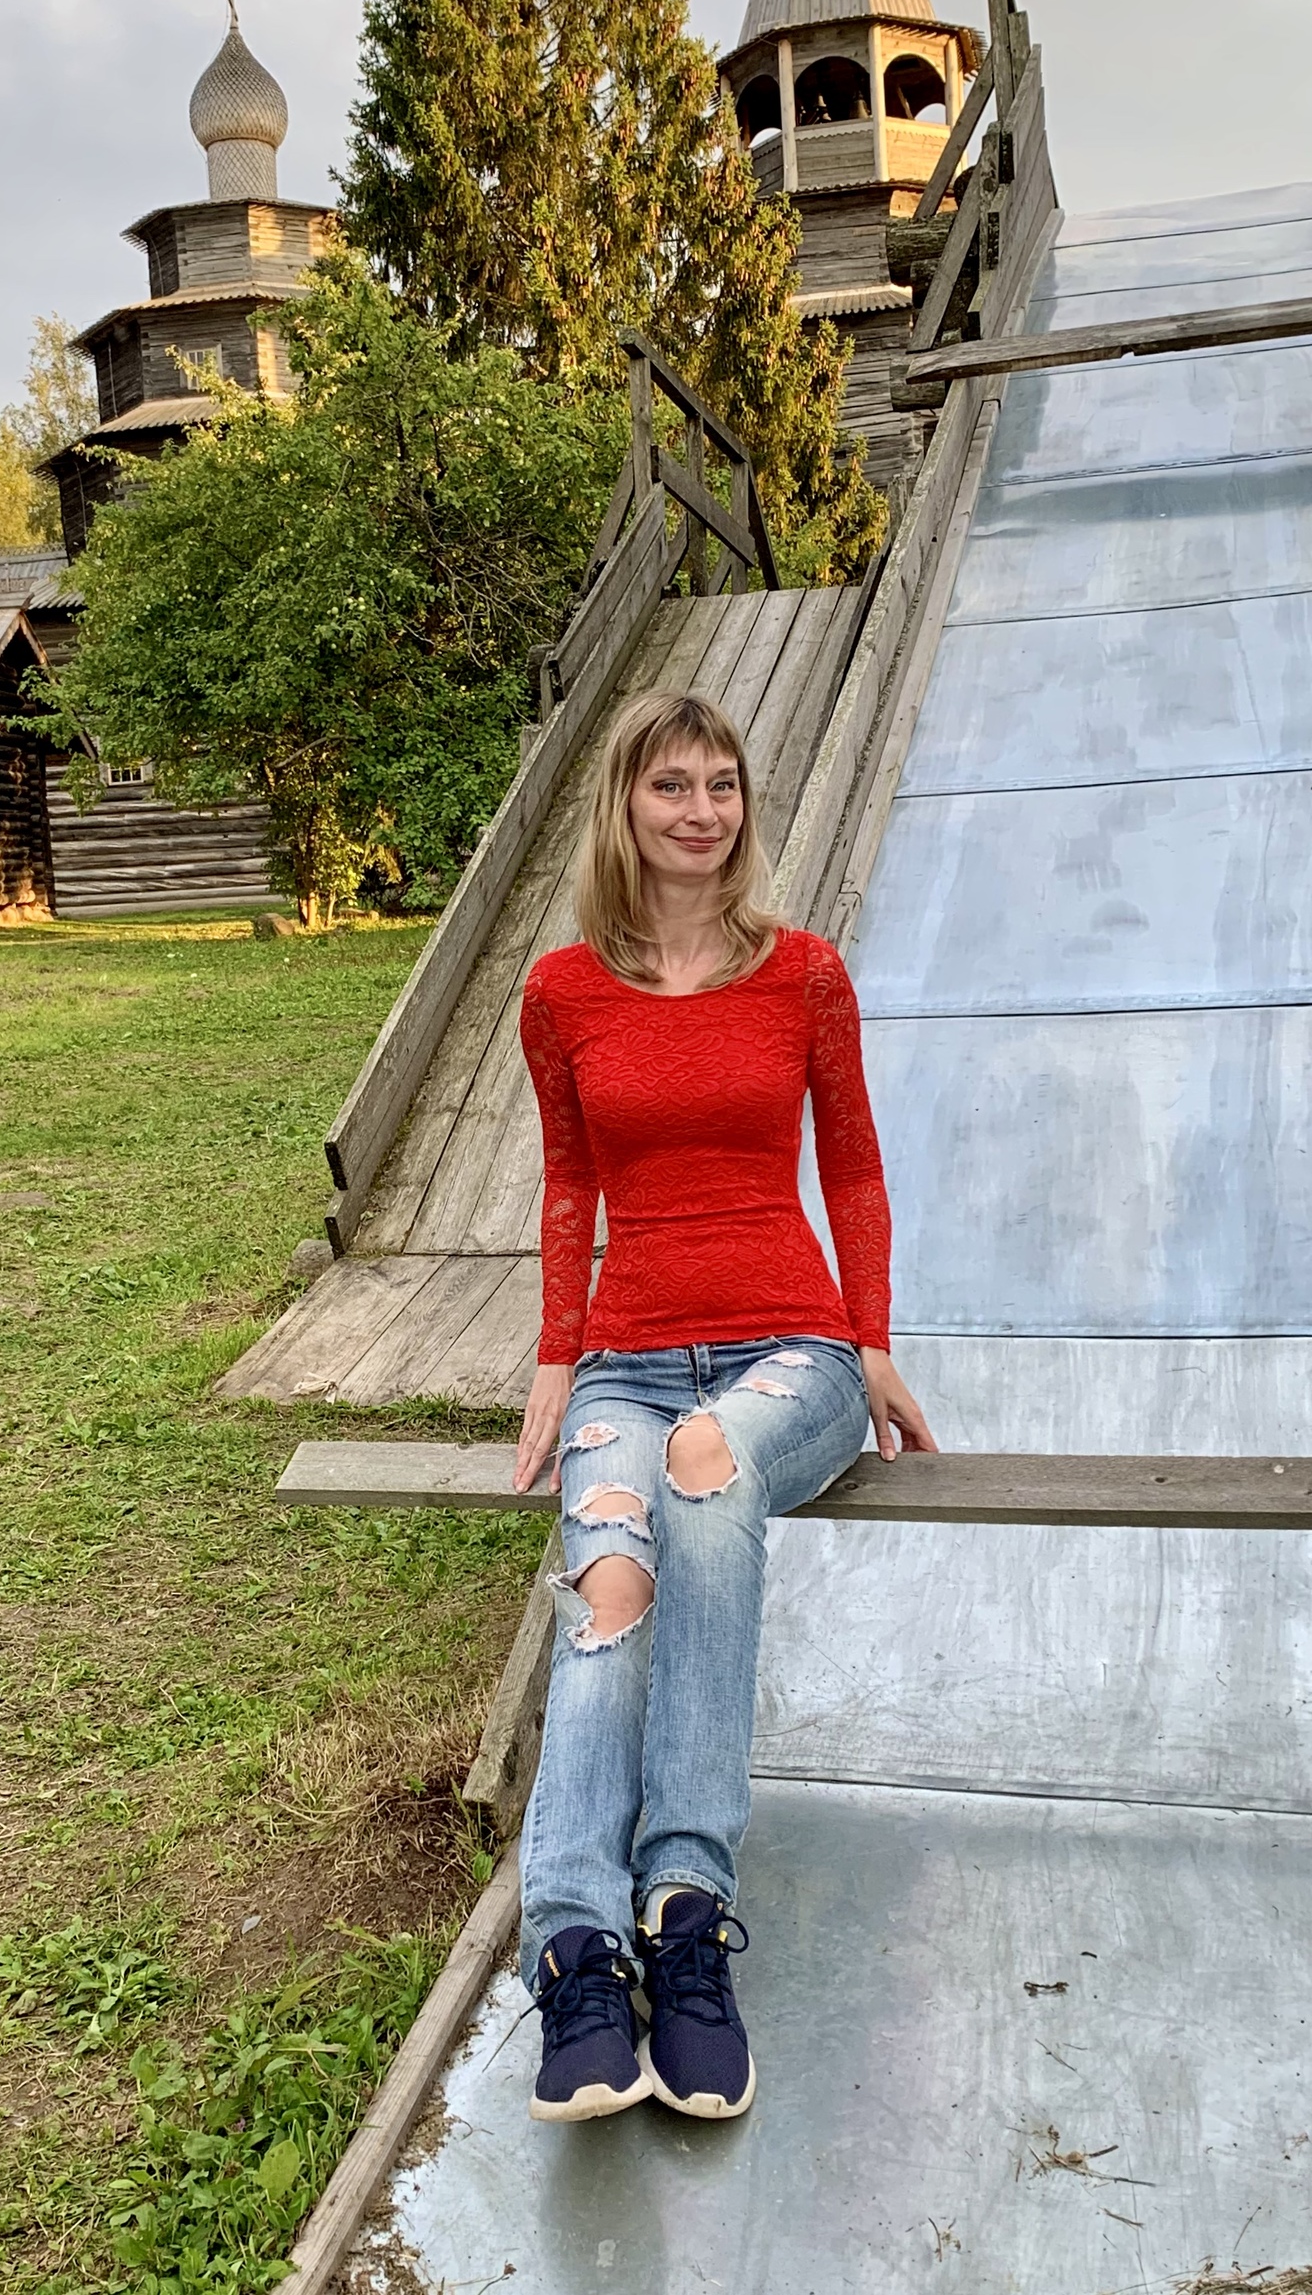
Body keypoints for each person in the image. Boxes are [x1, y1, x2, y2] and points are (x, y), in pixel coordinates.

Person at [512, 687, 935, 2125]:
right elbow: (572, 1187)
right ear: (623, 807)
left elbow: (857, 1168)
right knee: (614, 1565)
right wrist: (558, 1361)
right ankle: (577, 1944)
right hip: (627, 1360)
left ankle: (686, 1911)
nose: (702, 811)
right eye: (670, 785)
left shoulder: (806, 974)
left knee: (703, 1460)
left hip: (789, 1360)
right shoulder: (562, 993)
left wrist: (868, 1340)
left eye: (723, 785)